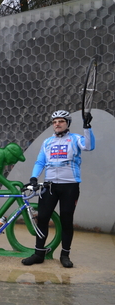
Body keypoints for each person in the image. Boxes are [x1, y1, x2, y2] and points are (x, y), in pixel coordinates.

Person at [22, 110, 95, 268]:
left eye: (61, 121)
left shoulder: (75, 139)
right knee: (42, 219)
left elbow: (89, 146)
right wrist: (34, 178)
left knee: (66, 221)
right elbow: (40, 162)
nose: (57, 124)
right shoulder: (47, 142)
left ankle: (65, 255)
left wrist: (87, 127)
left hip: (70, 186)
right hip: (49, 186)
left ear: (67, 123)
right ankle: (38, 253)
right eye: (54, 121)